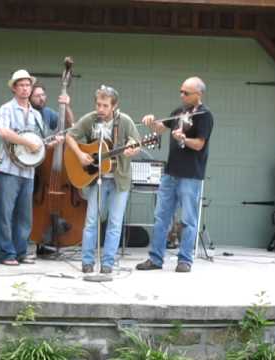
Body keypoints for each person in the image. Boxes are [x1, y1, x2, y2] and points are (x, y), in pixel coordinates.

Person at [136, 76, 214, 273]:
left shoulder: (205, 116)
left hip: (190, 175)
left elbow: (199, 144)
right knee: (161, 217)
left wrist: (184, 139)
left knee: (188, 219)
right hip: (170, 173)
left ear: (198, 94)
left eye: (186, 93)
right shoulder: (179, 112)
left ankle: (185, 260)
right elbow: (161, 128)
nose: (182, 95)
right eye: (181, 91)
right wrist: (151, 121)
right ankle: (155, 258)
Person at [66, 85, 140, 274]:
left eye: (105, 105)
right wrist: (81, 156)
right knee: (91, 221)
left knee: (115, 223)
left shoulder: (124, 121)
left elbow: (135, 142)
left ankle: (107, 263)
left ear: (114, 106)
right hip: (96, 178)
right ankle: (87, 261)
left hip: (119, 179)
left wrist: (132, 147)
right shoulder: (91, 120)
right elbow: (70, 136)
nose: (100, 109)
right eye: (98, 104)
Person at [0, 70, 63, 266]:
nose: (25, 88)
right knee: (5, 213)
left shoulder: (36, 115)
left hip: (28, 171)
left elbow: (38, 144)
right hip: (8, 168)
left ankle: (21, 251)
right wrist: (26, 142)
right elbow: (3, 131)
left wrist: (52, 143)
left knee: (25, 215)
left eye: (28, 85)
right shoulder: (6, 108)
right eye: (21, 85)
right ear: (14, 88)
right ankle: (6, 253)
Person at [29, 83, 74, 256]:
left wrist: (66, 105)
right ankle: (32, 241)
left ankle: (48, 242)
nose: (41, 98)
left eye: (43, 95)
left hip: (49, 169)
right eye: (37, 96)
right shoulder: (28, 114)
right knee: (30, 206)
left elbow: (70, 124)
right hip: (34, 167)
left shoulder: (48, 113)